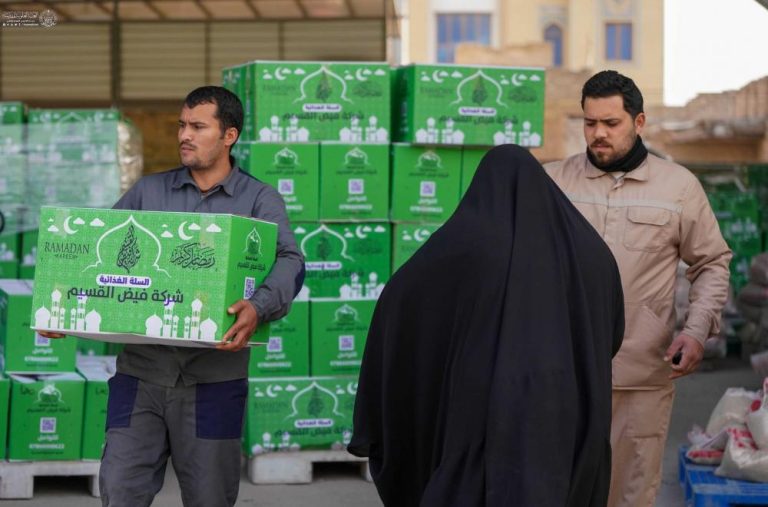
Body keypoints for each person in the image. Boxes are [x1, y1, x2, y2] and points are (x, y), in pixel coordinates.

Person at [42, 86, 305, 507]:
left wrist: (259, 306)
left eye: (198, 126)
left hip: (214, 381)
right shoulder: (148, 193)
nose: (185, 134)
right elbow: (97, 250)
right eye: (182, 125)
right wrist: (65, 308)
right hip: (141, 375)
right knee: (121, 490)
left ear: (229, 136)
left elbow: (291, 260)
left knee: (209, 497)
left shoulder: (259, 200)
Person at [349, 144, 625, 506]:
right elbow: (611, 333)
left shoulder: (460, 246)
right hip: (563, 410)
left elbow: (401, 301)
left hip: (478, 414)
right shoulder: (591, 253)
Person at [544, 70, 732, 507]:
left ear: (639, 122)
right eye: (590, 123)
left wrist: (696, 329)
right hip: (564, 373)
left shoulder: (679, 188)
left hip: (641, 375)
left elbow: (711, 262)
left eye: (611, 124)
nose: (598, 134)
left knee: (631, 491)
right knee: (560, 489)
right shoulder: (553, 184)